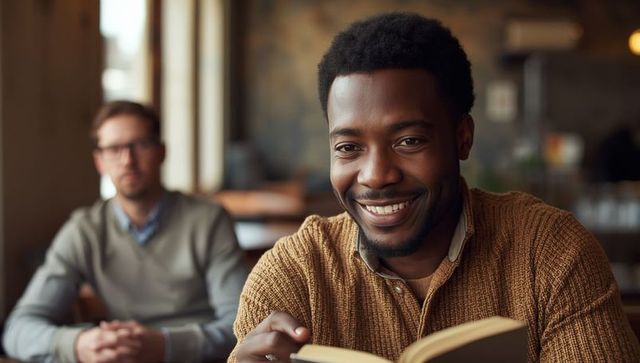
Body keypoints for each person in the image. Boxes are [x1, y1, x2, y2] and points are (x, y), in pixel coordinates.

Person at [229, 12, 640, 362]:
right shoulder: (293, 274)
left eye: (409, 141)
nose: (375, 175)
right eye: (348, 147)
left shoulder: (551, 254)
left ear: (462, 137)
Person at [2, 101, 248, 363]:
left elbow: (243, 327)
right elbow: (17, 329)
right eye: (114, 149)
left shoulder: (209, 221)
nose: (127, 160)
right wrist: (77, 345)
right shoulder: (84, 230)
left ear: (162, 152)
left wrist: (165, 346)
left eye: (140, 144)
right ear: (99, 162)